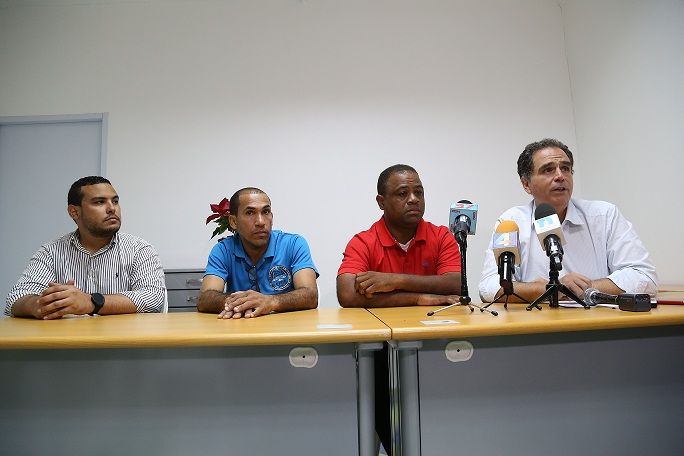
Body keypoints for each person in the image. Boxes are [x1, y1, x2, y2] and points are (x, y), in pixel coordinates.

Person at [336, 164, 462, 456]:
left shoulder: (441, 235)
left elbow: (456, 282)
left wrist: (393, 280)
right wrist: (418, 298)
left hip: (435, 346)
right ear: (381, 202)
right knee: (379, 391)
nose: (414, 199)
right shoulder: (364, 241)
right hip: (382, 350)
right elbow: (347, 294)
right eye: (402, 193)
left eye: (419, 192)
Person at [479, 138, 658, 303]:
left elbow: (644, 277)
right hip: (539, 321)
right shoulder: (511, 222)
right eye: (548, 170)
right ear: (526, 184)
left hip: (598, 319)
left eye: (565, 168)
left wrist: (587, 287)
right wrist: (549, 289)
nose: (560, 176)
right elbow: (489, 287)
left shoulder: (604, 215)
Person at [5, 176, 166, 319]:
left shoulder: (139, 249)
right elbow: (15, 298)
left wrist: (91, 302)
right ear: (74, 212)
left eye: (115, 201)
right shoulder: (51, 252)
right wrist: (40, 305)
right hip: (69, 341)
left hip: (123, 341)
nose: (112, 208)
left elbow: (153, 298)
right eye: (99, 202)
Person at [198, 187, 318, 318]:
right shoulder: (223, 250)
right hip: (241, 327)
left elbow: (310, 295)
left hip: (286, 326)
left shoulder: (293, 244)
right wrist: (243, 303)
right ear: (233, 222)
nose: (260, 222)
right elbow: (205, 298)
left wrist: (270, 302)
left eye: (265, 212)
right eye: (250, 213)